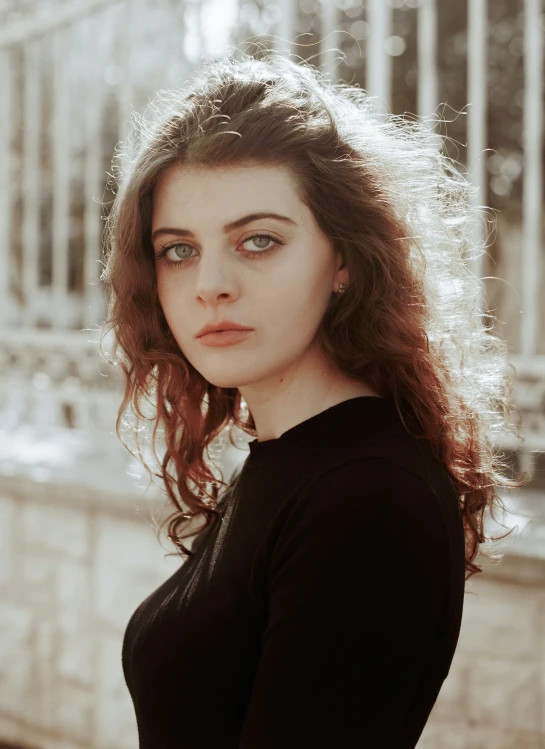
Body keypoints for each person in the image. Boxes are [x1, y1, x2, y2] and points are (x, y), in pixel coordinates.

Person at [100, 50, 529, 749]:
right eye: (178, 249)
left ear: (344, 261)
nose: (211, 283)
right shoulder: (290, 455)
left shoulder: (364, 495)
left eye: (258, 240)